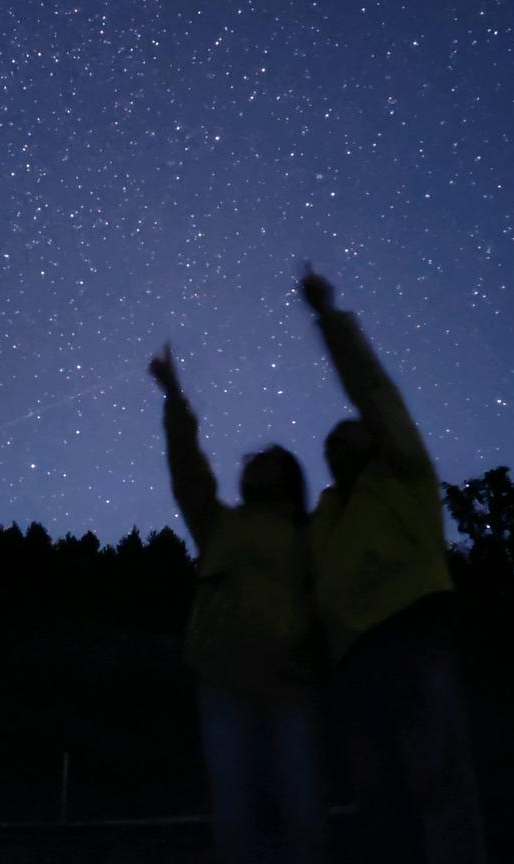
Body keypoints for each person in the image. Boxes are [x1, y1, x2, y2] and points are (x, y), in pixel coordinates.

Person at [299, 266, 486, 864]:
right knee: (380, 803)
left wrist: (328, 318)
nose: (337, 447)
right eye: (329, 446)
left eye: (348, 437)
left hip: (411, 630)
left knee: (440, 786)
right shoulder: (327, 513)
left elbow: (371, 387)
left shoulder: (402, 469)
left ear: (373, 439)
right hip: (351, 658)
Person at [148, 344, 326, 864]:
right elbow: (188, 469)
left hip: (291, 685)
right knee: (235, 819)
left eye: (267, 462)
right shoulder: (220, 525)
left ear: (288, 479)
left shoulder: (309, 534)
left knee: (303, 816)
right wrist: (174, 396)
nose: (253, 466)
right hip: (223, 683)